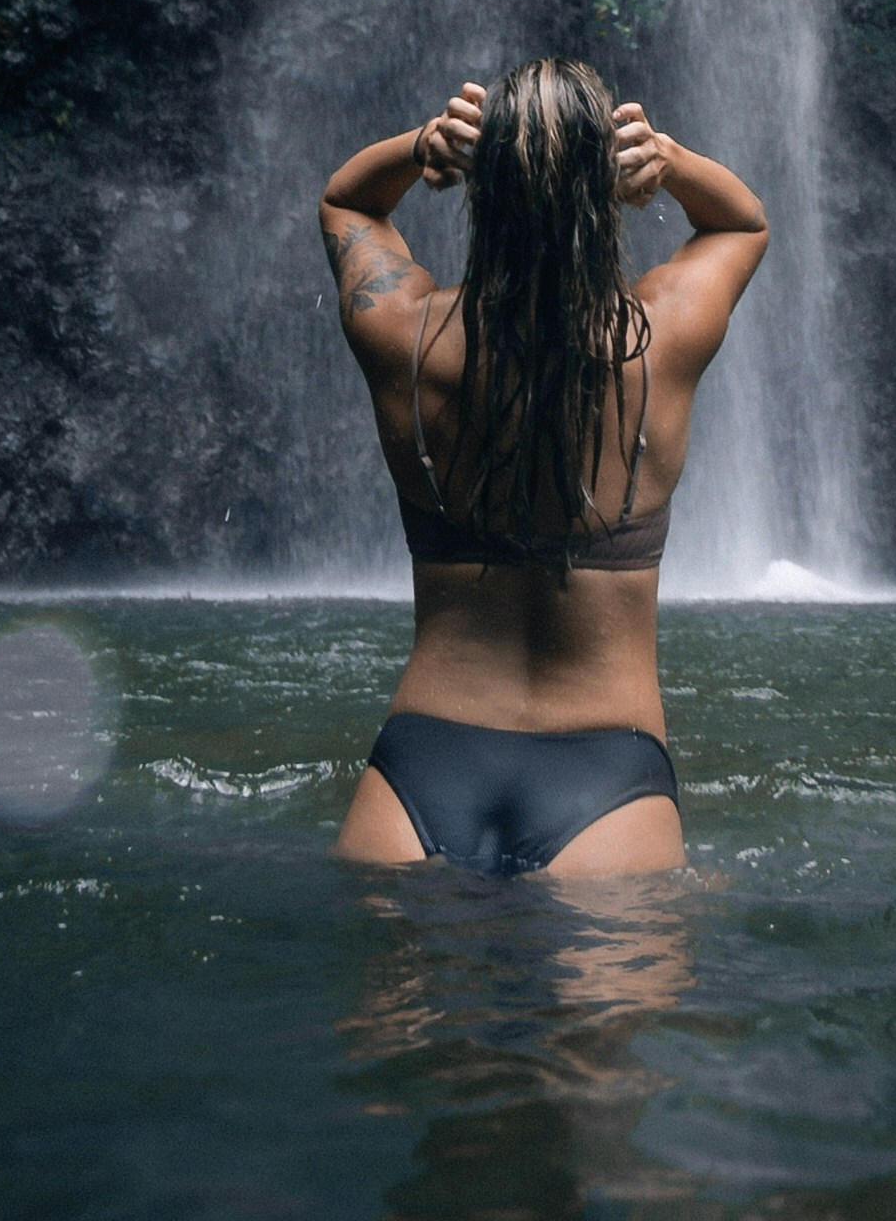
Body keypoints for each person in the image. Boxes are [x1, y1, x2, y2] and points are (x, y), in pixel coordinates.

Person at [318, 55, 769, 875]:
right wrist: (670, 163)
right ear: (607, 196)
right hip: (607, 773)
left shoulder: (408, 334)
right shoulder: (659, 339)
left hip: (420, 769)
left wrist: (423, 145)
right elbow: (742, 224)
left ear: (479, 189)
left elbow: (346, 201)